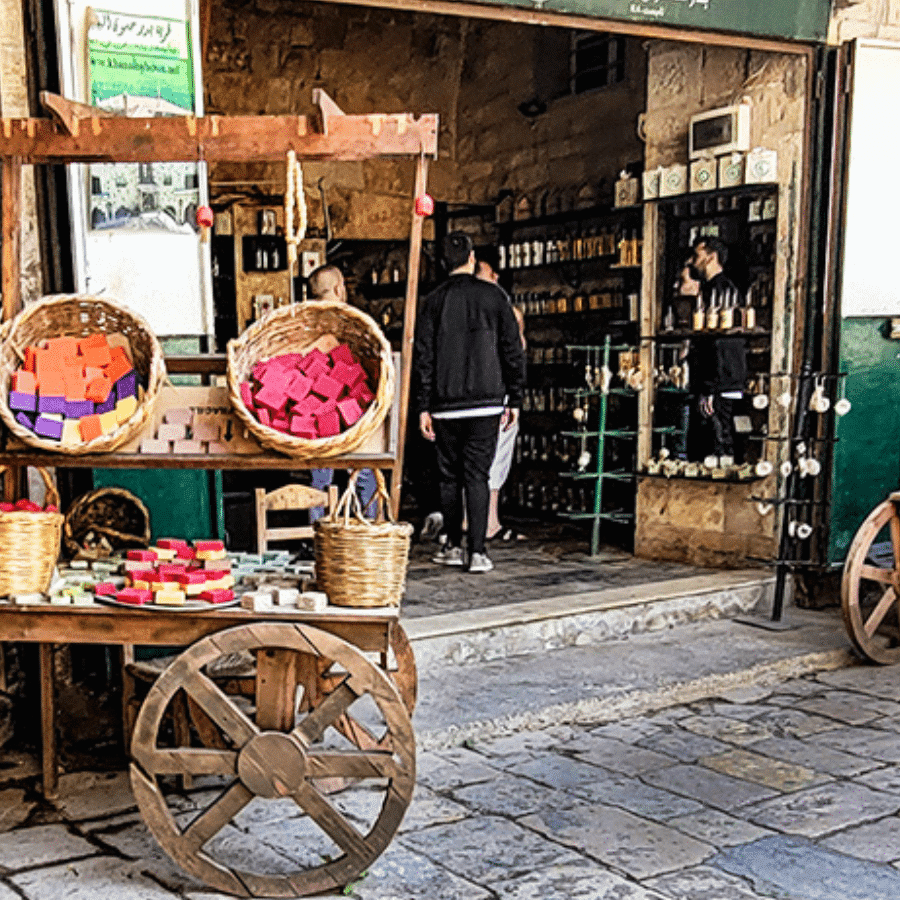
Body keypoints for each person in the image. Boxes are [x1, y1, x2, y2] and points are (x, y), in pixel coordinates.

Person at [414, 232, 525, 573]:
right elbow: (512, 351)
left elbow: (424, 357)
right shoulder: (495, 297)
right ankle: (477, 553)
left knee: (449, 477)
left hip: (445, 405)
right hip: (487, 404)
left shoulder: (432, 302)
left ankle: (451, 544)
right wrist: (515, 396)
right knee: (477, 475)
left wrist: (423, 406)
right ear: (473, 257)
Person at [305, 264, 377, 521]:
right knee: (363, 472)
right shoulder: (353, 322)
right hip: (352, 409)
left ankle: (316, 534)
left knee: (320, 476)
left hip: (312, 411)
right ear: (339, 288)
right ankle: (367, 531)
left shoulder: (302, 322)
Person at [475, 252, 527, 542]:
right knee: (492, 461)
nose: (496, 278)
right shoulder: (501, 310)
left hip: (470, 396)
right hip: (496, 395)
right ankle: (489, 523)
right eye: (490, 273)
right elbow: (514, 354)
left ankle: (475, 521)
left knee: (477, 463)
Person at [689, 238, 747, 464]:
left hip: (722, 384)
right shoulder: (715, 290)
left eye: (697, 256)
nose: (693, 262)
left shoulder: (721, 294)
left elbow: (721, 345)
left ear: (711, 257)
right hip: (723, 382)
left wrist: (710, 388)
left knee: (719, 447)